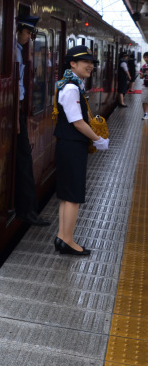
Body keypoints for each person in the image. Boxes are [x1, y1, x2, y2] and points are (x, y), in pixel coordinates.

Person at [53, 46, 109, 256]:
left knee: (67, 195)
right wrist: (99, 139)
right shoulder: (71, 88)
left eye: (92, 62)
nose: (91, 65)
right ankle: (67, 240)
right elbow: (77, 122)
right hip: (72, 146)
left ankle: (62, 236)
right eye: (86, 61)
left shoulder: (70, 84)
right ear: (72, 64)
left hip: (68, 145)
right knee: (74, 195)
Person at [15, 15, 49, 226]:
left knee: (23, 158)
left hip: (17, 109)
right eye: (27, 33)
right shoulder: (14, 50)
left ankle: (26, 208)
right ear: (18, 31)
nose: (29, 37)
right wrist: (16, 117)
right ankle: (26, 210)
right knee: (24, 159)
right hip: (15, 110)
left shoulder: (17, 50)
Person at [140, 51, 148, 120]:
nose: (146, 59)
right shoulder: (143, 67)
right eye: (145, 57)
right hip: (145, 85)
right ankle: (145, 114)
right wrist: (145, 74)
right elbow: (140, 76)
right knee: (144, 100)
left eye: (147, 57)